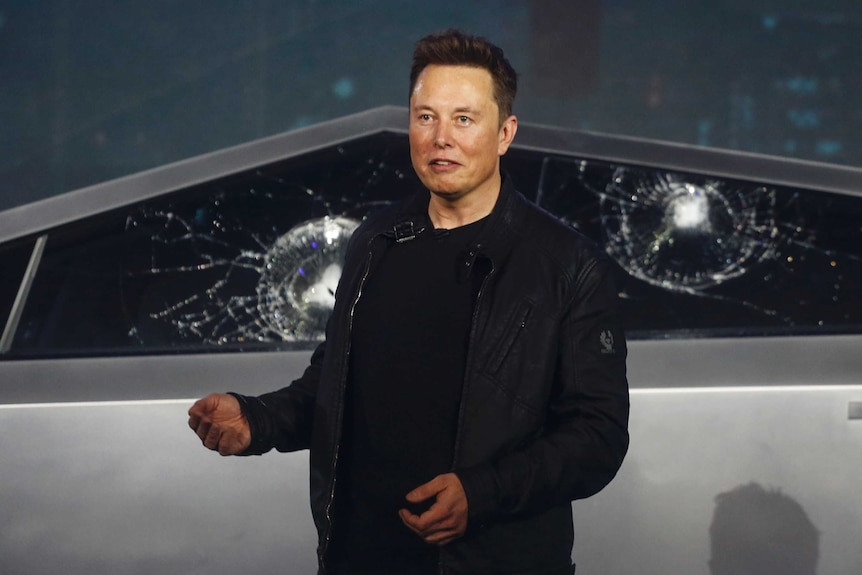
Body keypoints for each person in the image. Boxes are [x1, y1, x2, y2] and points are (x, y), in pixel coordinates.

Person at [189, 29, 629, 575]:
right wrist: (256, 420)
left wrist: (482, 493)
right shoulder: (376, 242)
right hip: (360, 556)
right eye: (426, 117)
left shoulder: (570, 266)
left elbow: (597, 436)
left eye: (464, 119)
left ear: (505, 133)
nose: (441, 137)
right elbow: (335, 384)